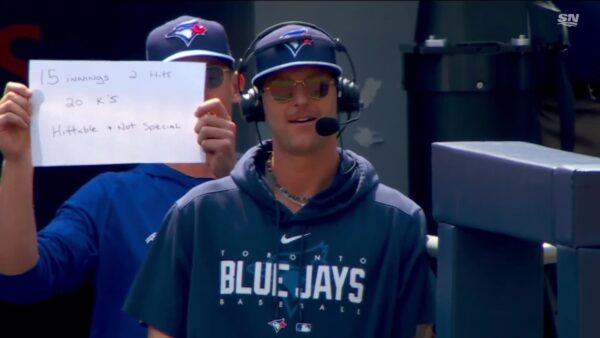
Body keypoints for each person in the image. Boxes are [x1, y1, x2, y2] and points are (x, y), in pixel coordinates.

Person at [124, 22, 435, 338]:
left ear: (342, 96)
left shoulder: (397, 221)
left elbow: (420, 332)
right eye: (282, 90)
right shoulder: (196, 214)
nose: (300, 100)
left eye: (317, 87)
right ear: (256, 104)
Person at [0, 15, 239, 338]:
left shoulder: (273, 187)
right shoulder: (111, 196)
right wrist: (16, 160)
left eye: (211, 77)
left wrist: (231, 179)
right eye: (176, 82)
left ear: (236, 86)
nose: (198, 94)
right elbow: (20, 280)